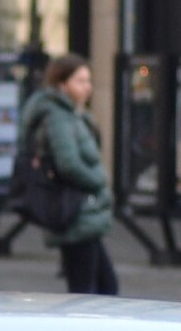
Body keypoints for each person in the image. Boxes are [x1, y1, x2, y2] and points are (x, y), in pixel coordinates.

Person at [20, 54, 117, 296]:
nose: (88, 87)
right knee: (88, 292)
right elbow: (68, 163)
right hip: (75, 211)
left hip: (85, 214)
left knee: (103, 287)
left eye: (89, 81)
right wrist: (99, 181)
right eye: (80, 81)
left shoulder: (73, 114)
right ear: (62, 84)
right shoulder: (59, 117)